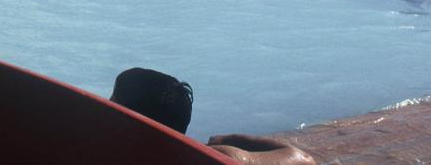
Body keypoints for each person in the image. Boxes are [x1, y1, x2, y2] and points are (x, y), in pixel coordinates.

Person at [110, 68, 314, 164]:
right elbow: (302, 160)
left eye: (113, 100)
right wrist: (232, 141)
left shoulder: (95, 148)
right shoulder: (204, 160)